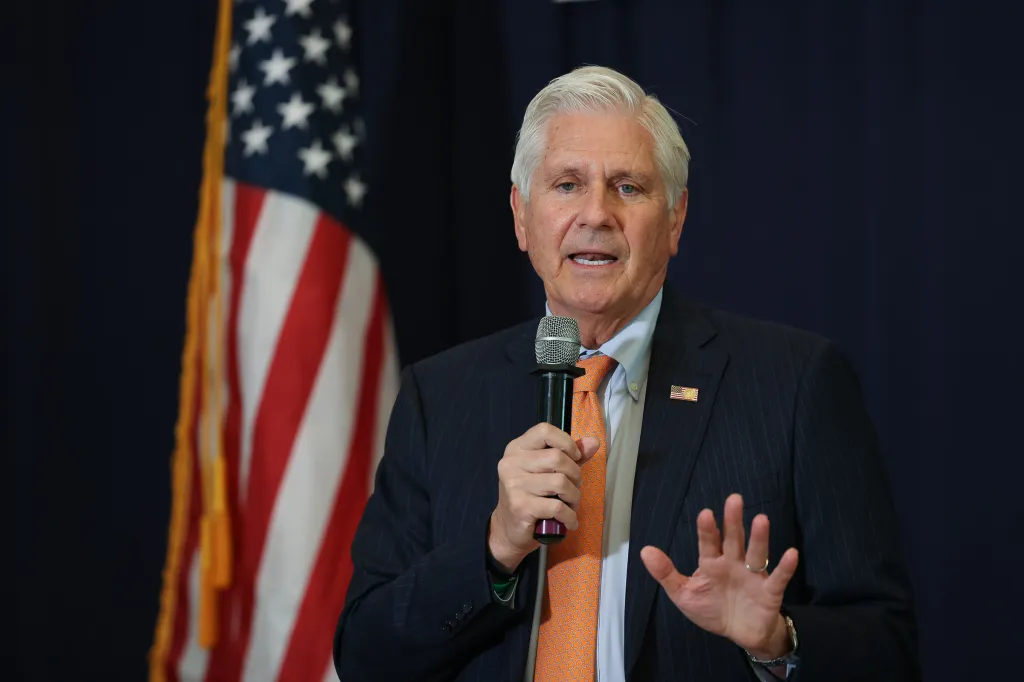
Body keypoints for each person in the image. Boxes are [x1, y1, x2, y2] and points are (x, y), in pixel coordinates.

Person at [333, 65, 919, 682]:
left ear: (675, 220)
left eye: (628, 188)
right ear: (520, 217)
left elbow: (889, 649)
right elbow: (368, 658)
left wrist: (779, 640)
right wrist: (494, 549)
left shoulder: (794, 383)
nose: (596, 214)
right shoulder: (439, 395)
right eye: (566, 184)